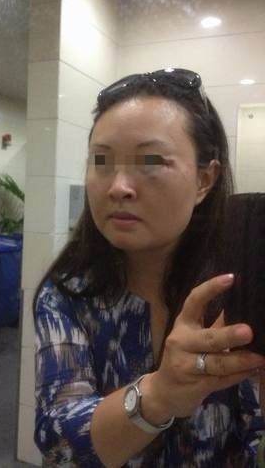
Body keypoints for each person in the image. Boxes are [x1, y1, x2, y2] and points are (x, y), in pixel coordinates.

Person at [33, 68, 265, 467]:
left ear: (204, 180)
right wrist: (159, 394)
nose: (118, 186)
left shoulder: (238, 282)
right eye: (101, 160)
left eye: (151, 161)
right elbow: (59, 441)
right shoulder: (69, 292)